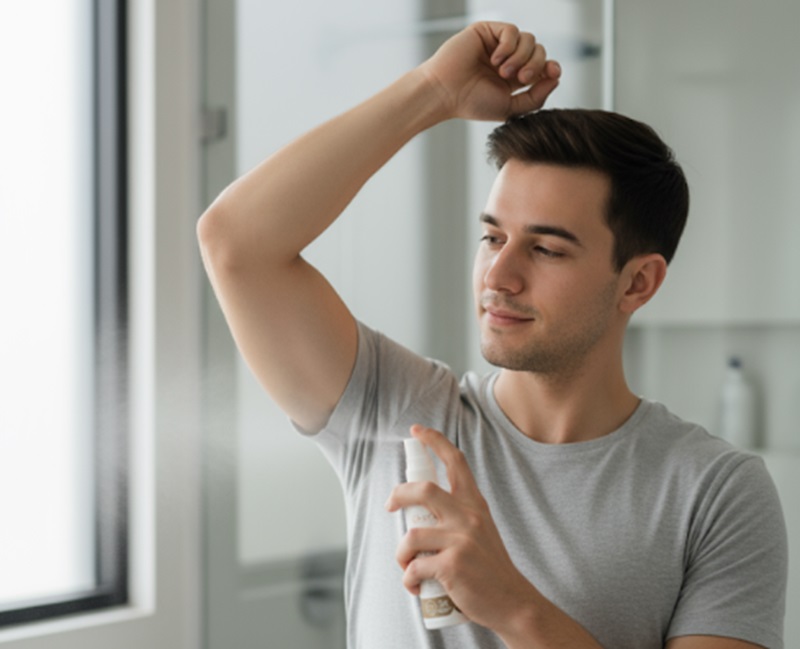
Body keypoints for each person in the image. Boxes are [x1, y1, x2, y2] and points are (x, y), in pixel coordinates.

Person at [197, 22, 787, 649]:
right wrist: (434, 90)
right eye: (492, 237)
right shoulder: (398, 411)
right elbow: (236, 242)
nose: (498, 276)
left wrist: (512, 605)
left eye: (547, 249)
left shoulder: (715, 493)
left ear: (637, 284)